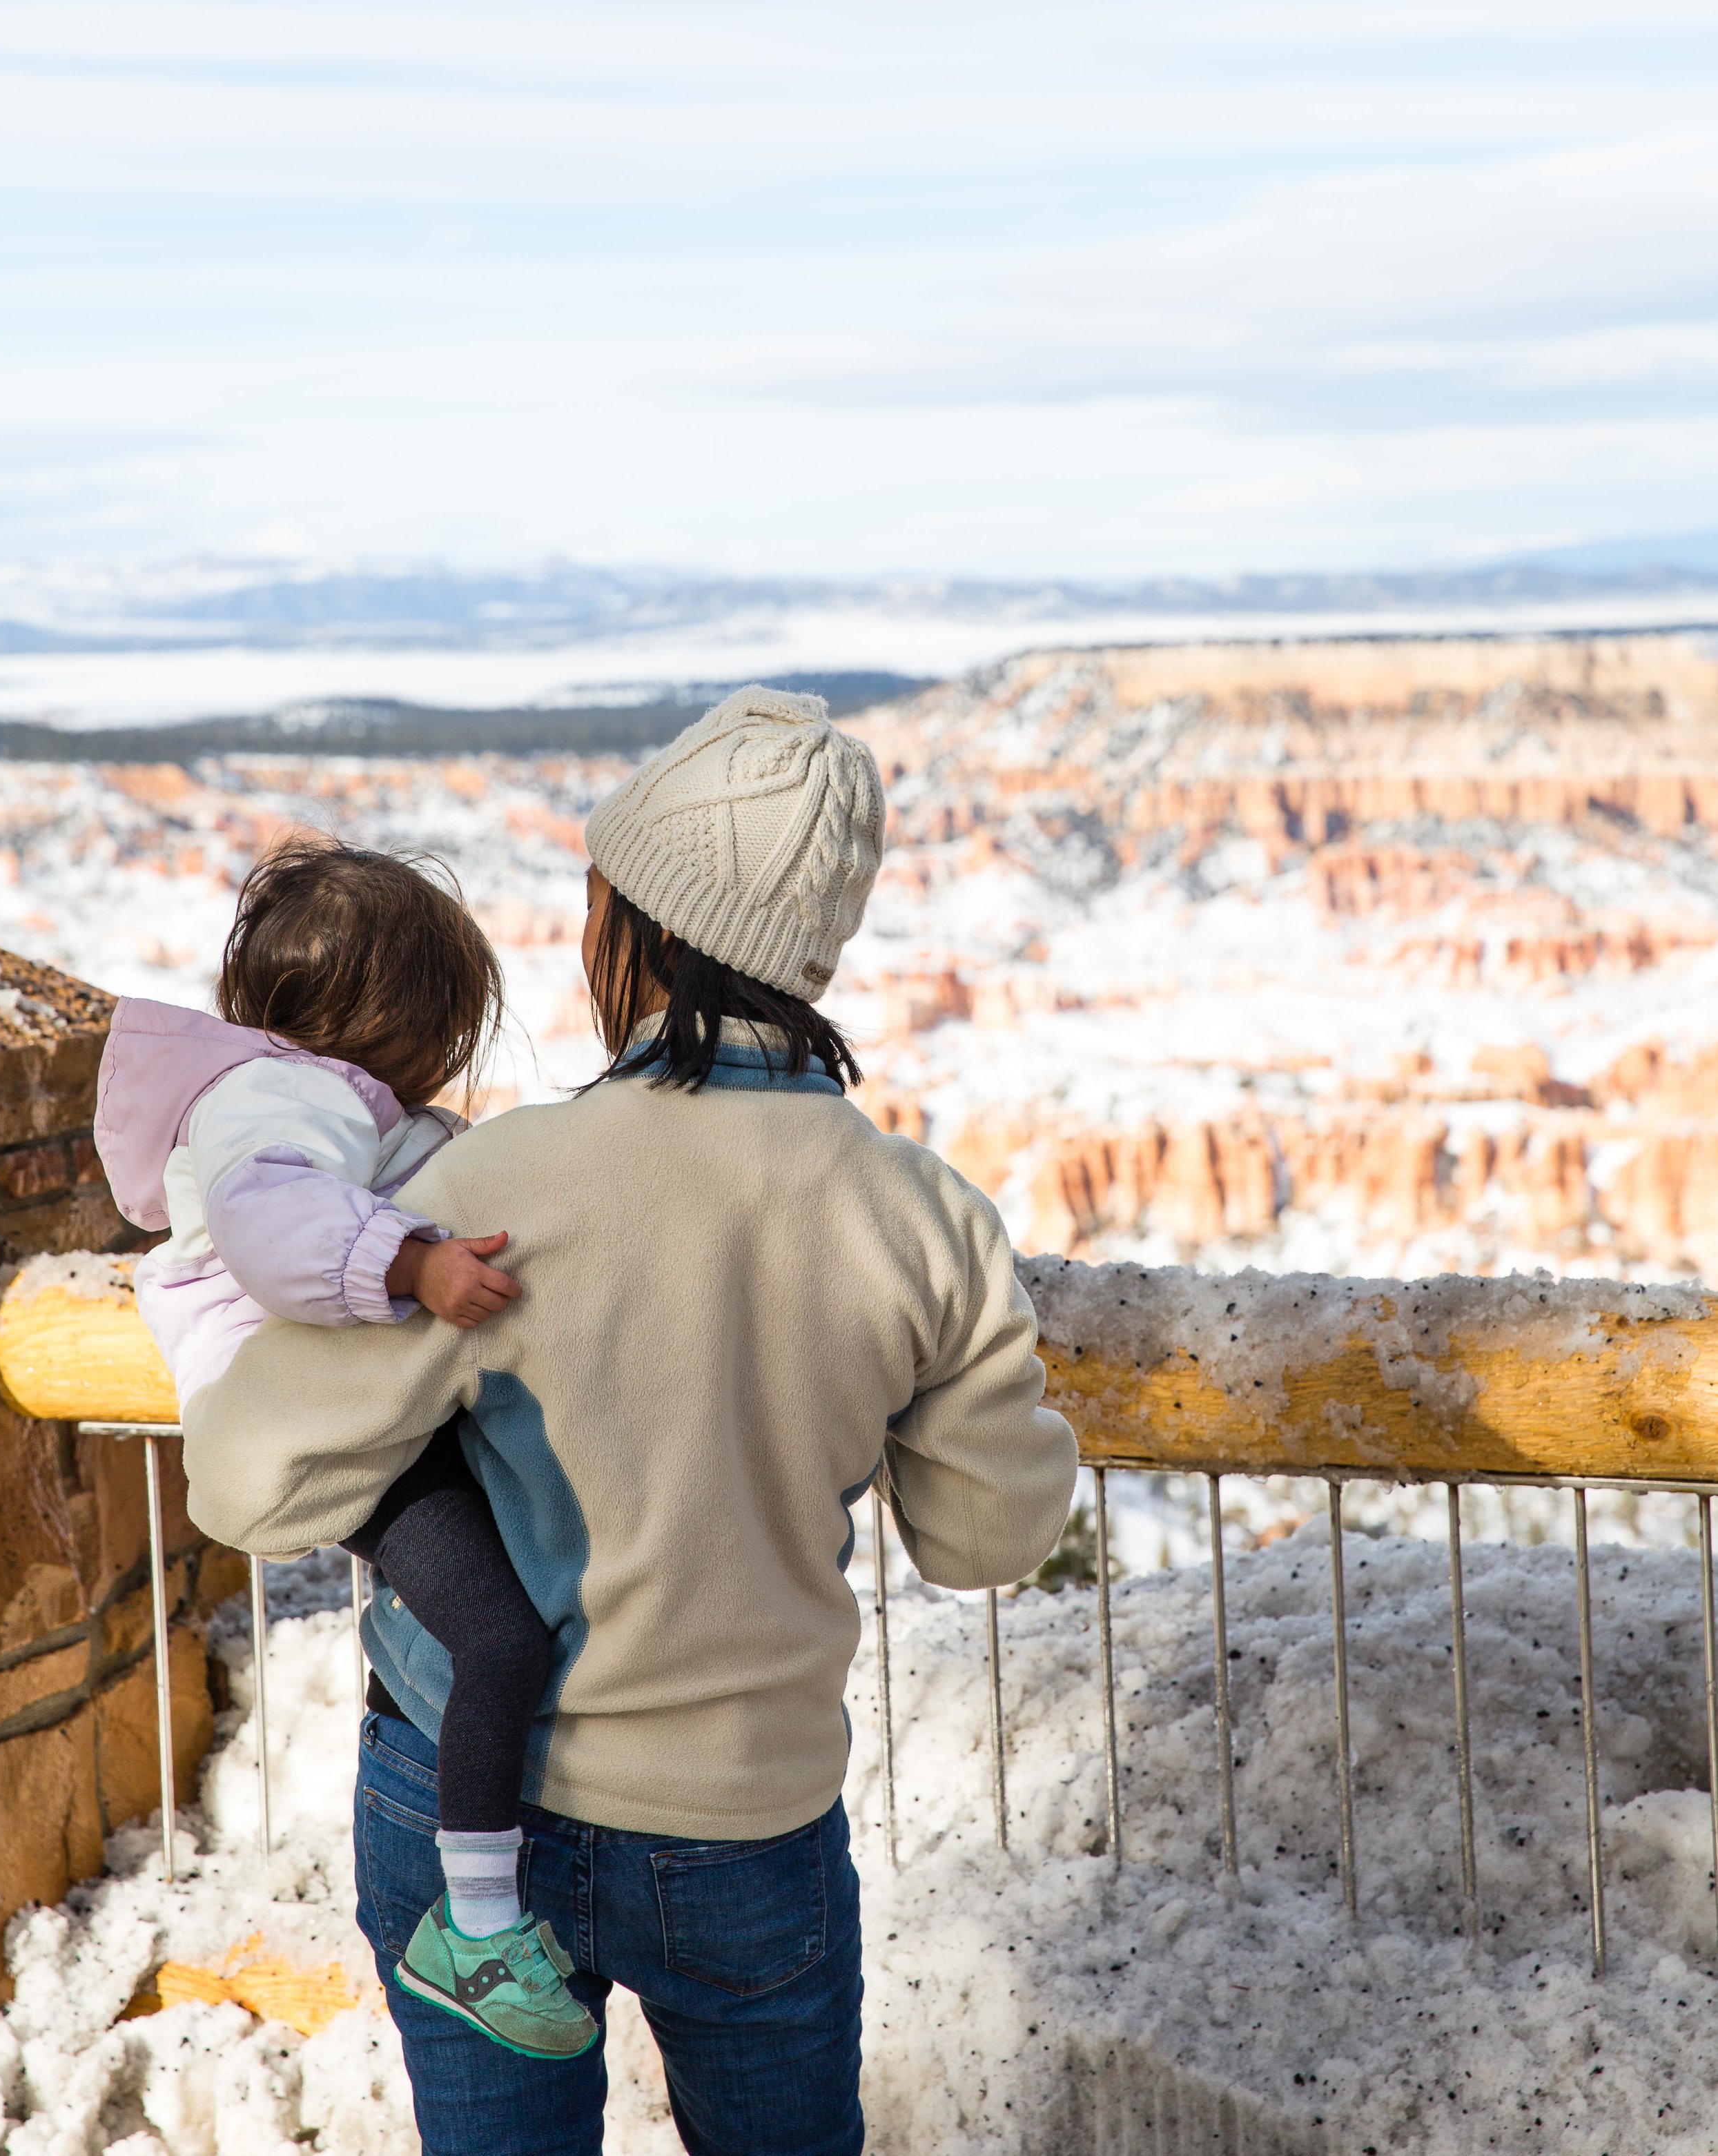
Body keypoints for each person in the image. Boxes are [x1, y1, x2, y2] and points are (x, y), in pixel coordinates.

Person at [183, 685, 1080, 2156]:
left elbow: (244, 1483)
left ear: (631, 925)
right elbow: (989, 1537)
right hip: (749, 1823)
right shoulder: (923, 1220)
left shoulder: (496, 1189)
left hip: (469, 1807)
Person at [95, 843, 596, 2059]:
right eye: (451, 1027)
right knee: (499, 1633)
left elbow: (414, 1169)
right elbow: (281, 1227)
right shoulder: (284, 1101)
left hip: (320, 1396)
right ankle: (477, 1923)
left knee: (500, 1603)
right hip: (298, 1409)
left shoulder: (319, 1100)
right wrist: (415, 1265)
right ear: (402, 1023)